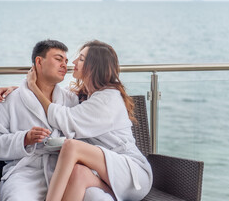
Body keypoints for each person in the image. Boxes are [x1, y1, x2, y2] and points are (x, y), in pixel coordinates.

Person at [25, 40, 153, 201]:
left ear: (94, 66)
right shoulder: (90, 94)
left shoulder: (108, 99)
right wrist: (20, 90)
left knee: (72, 146)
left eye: (81, 59)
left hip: (132, 174)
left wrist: (33, 87)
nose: (73, 62)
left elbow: (64, 118)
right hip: (107, 172)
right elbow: (52, 92)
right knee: (78, 173)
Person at [0, 40, 79, 200]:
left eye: (66, 61)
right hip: (25, 173)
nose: (64, 65)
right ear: (39, 61)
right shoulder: (12, 99)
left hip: (64, 170)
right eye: (58, 59)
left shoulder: (71, 99)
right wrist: (24, 139)